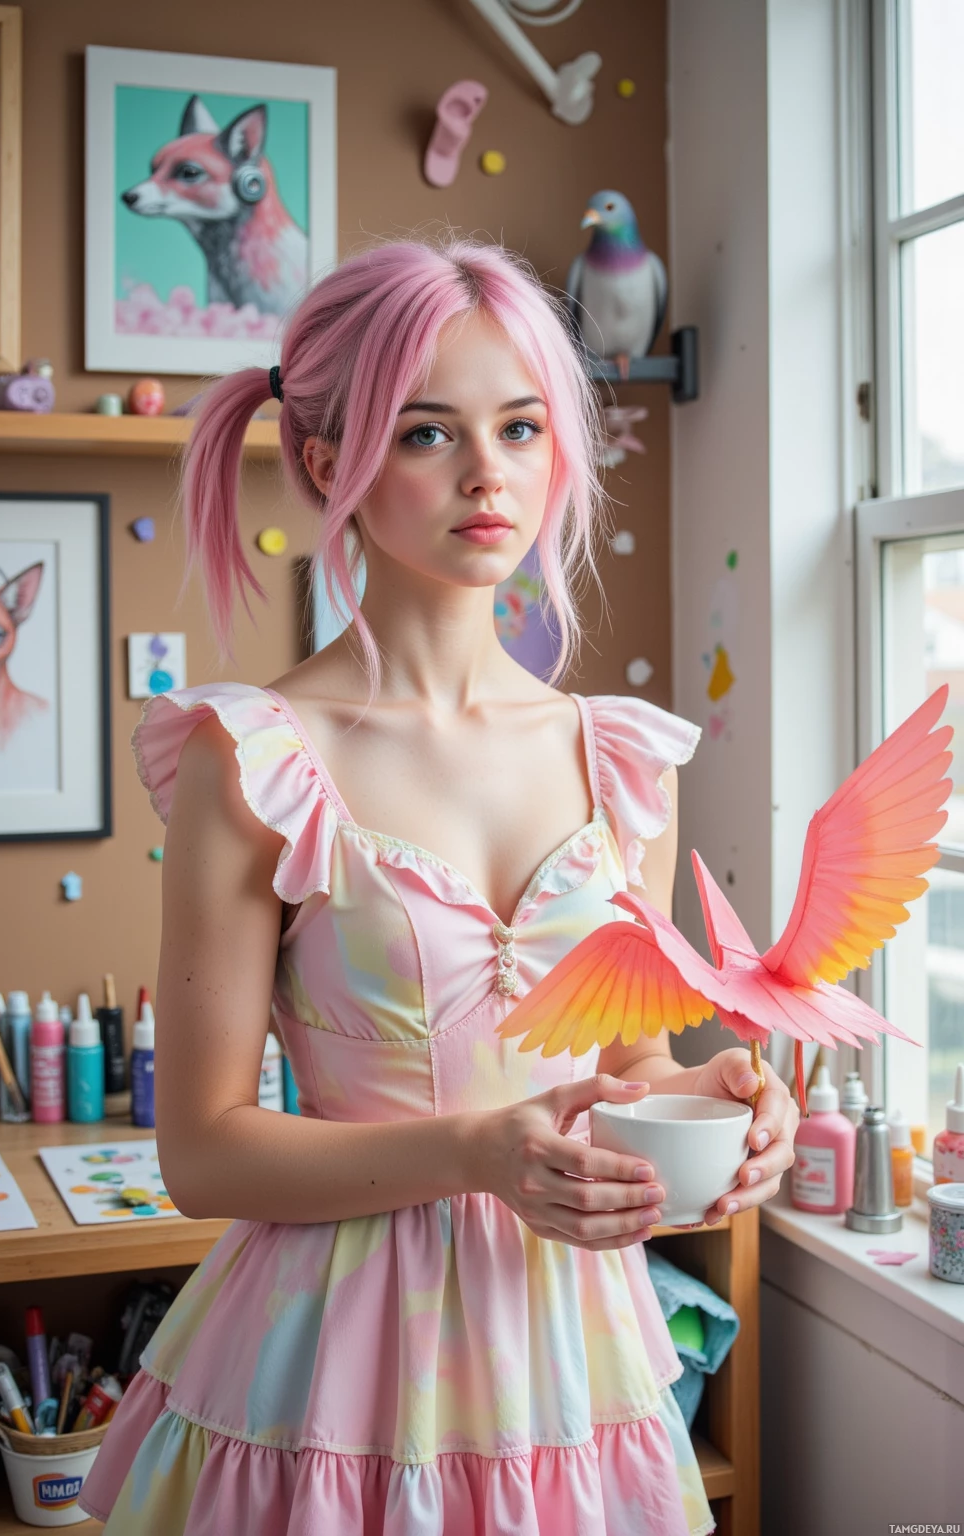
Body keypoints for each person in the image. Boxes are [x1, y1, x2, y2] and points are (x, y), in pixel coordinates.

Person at [79, 234, 797, 1535]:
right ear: (323, 462)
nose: (488, 474)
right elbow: (200, 1149)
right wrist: (474, 1151)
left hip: (570, 1356)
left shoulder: (617, 755)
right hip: (336, 1367)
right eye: (427, 433)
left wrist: (726, 1106)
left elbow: (623, 1072)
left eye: (521, 426)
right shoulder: (252, 760)